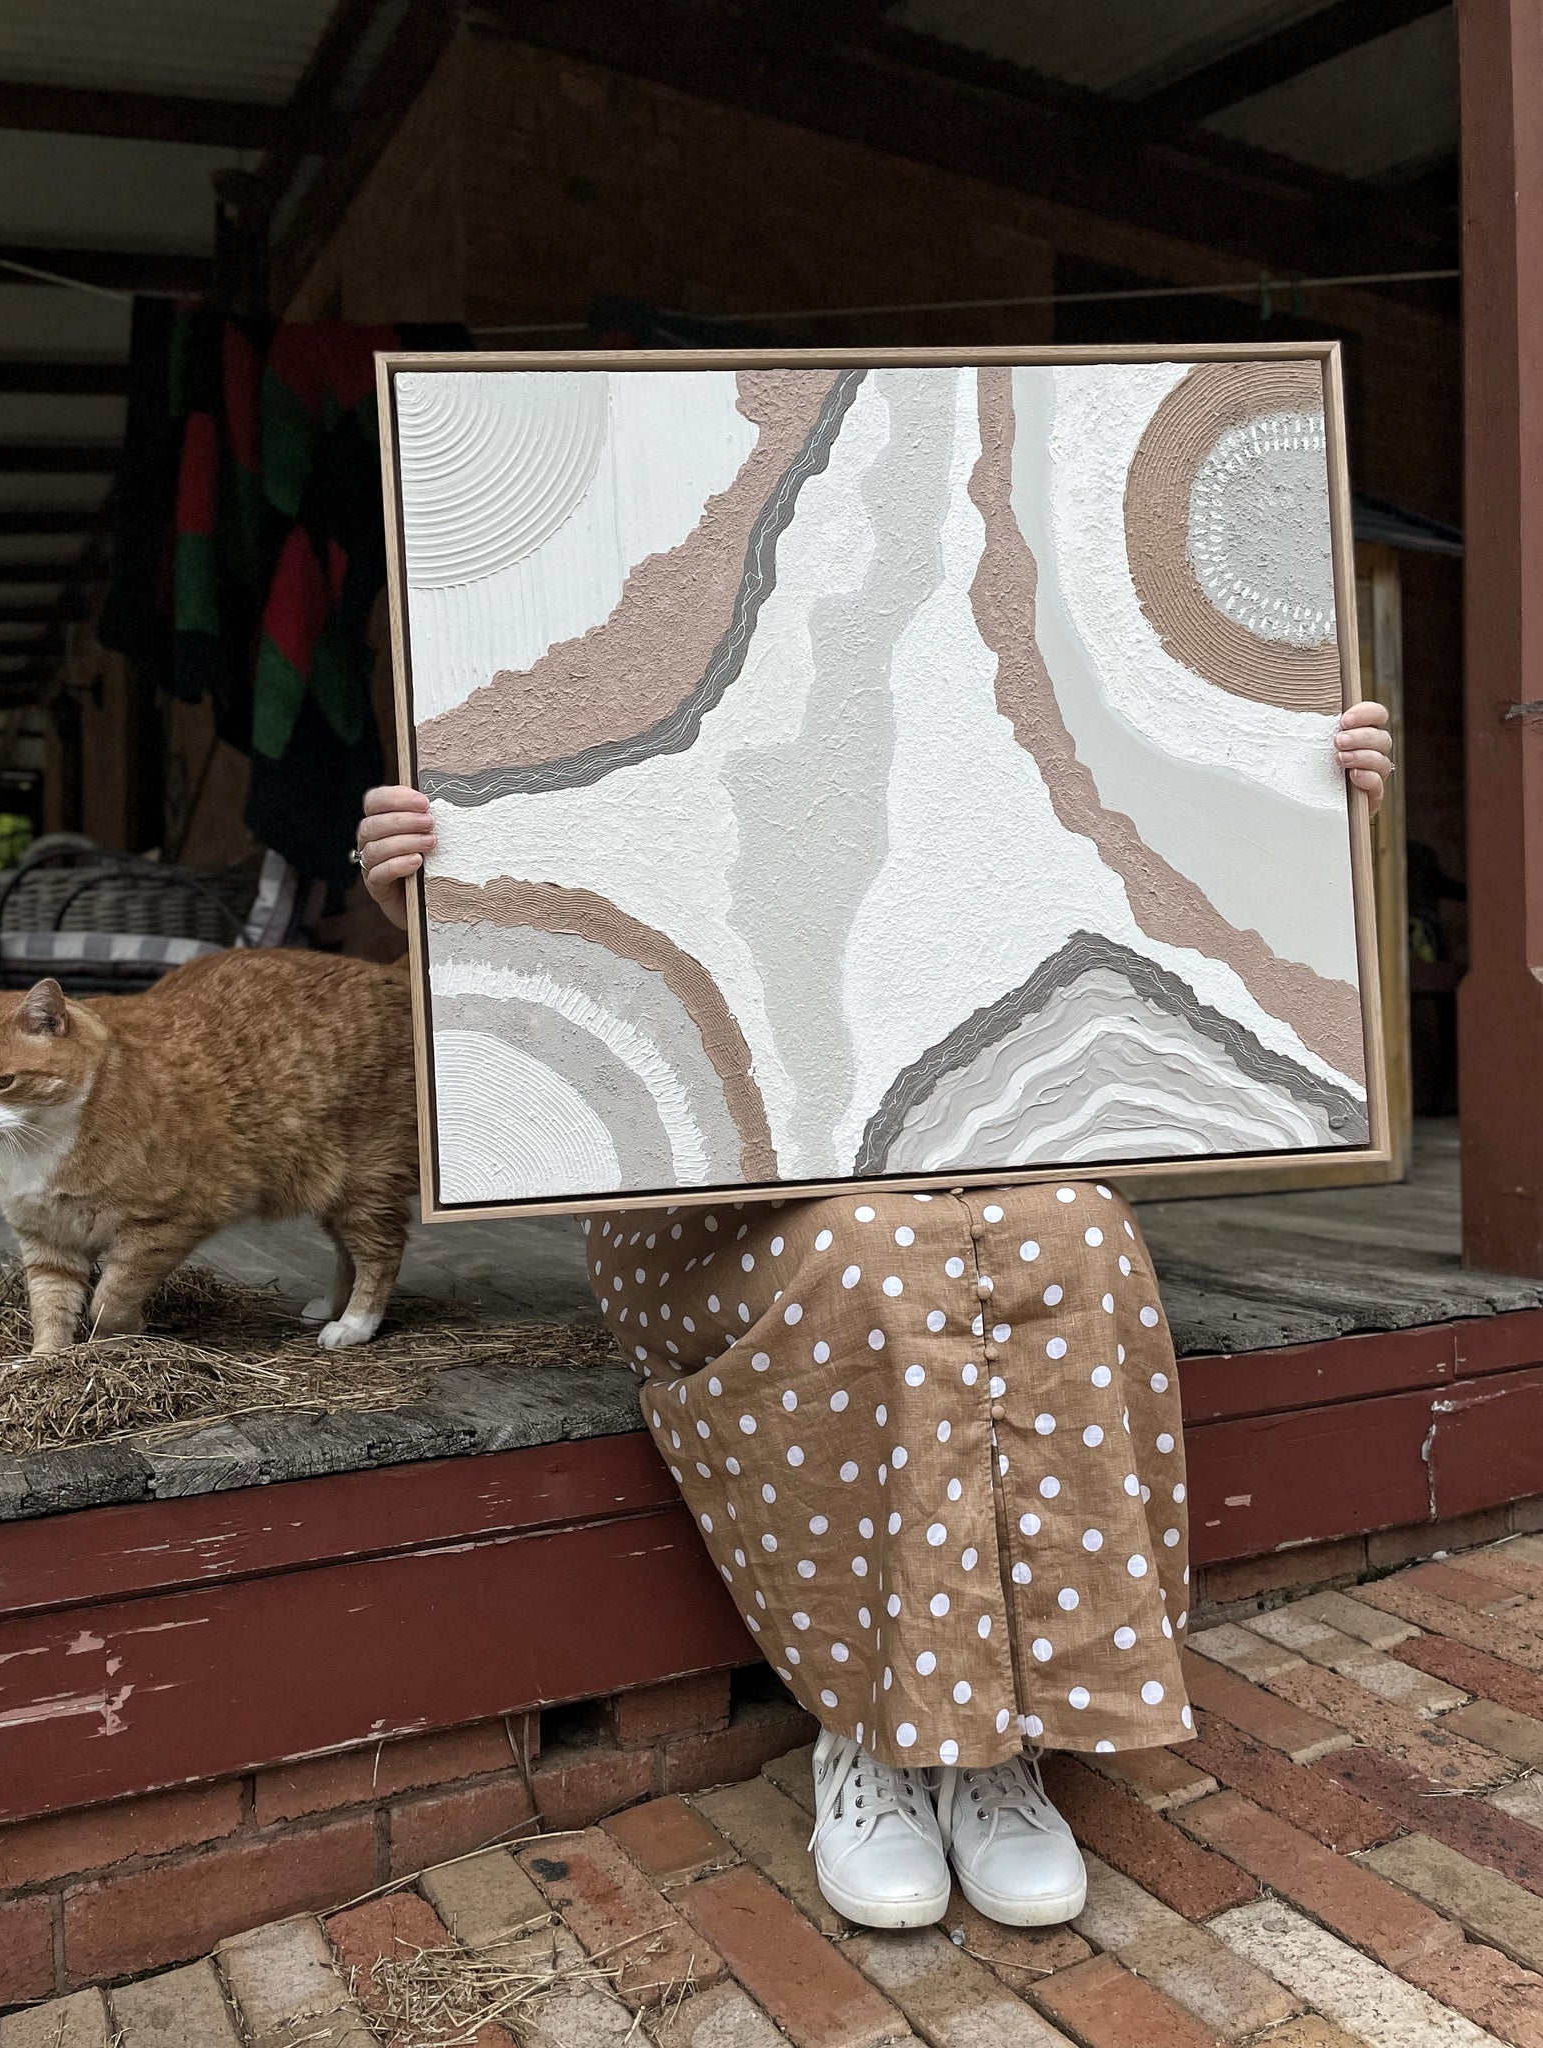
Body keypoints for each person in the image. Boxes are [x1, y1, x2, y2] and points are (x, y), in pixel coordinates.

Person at [356, 701, 1393, 1930]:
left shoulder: (981, 681)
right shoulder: (680, 683)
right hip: (722, 1198)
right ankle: (880, 1728)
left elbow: (1123, 881)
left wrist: (1282, 798)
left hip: (985, 1153)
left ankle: (1008, 1725)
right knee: (876, 1255)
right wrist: (439, 891)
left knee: (1083, 1234)